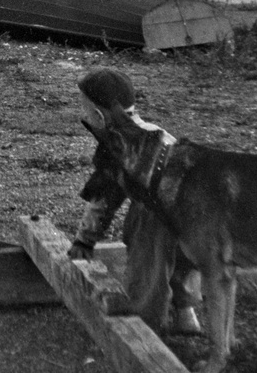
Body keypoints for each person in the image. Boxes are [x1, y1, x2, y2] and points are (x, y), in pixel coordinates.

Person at [68, 68, 202, 335]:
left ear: (99, 115)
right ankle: (186, 312)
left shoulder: (117, 146)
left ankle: (146, 323)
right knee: (181, 256)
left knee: (147, 254)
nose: (83, 115)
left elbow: (104, 199)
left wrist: (85, 239)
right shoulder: (157, 132)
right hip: (196, 211)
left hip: (157, 212)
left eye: (84, 108)